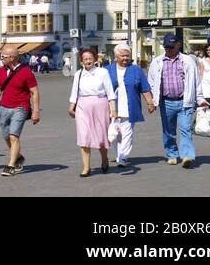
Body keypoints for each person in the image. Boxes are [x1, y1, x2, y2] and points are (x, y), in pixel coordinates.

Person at [0, 44, 39, 177]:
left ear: (12, 57)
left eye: (3, 57)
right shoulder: (2, 71)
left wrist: (36, 111)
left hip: (20, 107)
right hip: (4, 107)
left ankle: (11, 165)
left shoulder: (26, 72)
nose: (0, 59)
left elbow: (35, 92)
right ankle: (18, 157)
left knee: (14, 136)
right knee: (6, 136)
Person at [146, 34, 199, 167]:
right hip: (166, 102)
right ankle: (172, 154)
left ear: (178, 45)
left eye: (171, 46)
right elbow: (151, 81)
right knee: (168, 131)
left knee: (186, 129)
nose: (168, 49)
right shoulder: (157, 62)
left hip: (184, 101)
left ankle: (187, 156)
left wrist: (200, 99)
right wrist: (152, 100)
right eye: (166, 47)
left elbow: (196, 82)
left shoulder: (188, 61)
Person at [105, 43, 153, 171]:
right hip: (111, 107)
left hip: (130, 106)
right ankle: (118, 154)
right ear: (116, 56)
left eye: (127, 56)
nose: (125, 58)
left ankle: (123, 156)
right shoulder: (107, 70)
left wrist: (150, 102)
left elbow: (144, 87)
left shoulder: (136, 69)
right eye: (122, 56)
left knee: (127, 132)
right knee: (113, 134)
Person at [69, 47, 115, 177]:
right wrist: (71, 106)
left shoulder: (103, 72)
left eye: (90, 58)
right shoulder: (78, 74)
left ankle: (104, 159)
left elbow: (110, 92)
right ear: (81, 61)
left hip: (100, 105)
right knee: (83, 136)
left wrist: (113, 109)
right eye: (85, 59)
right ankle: (86, 167)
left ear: (95, 59)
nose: (88, 61)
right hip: (82, 106)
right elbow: (75, 92)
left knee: (101, 137)